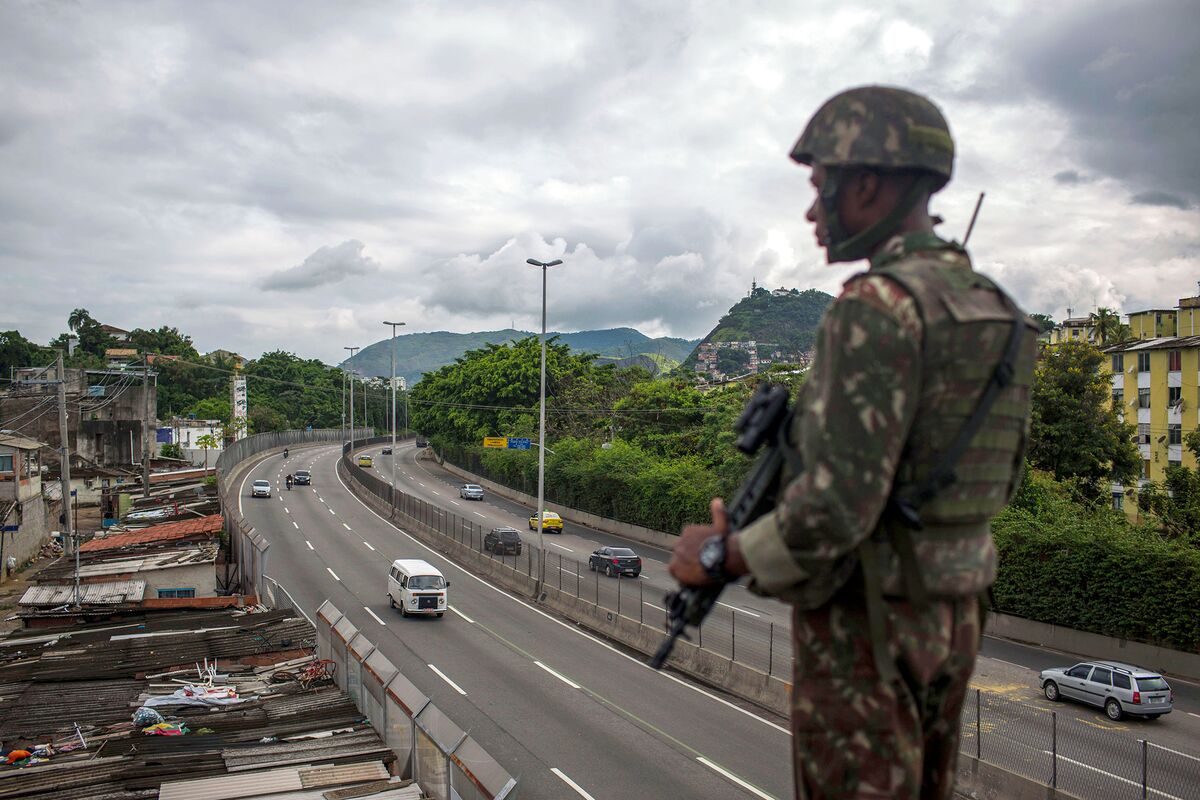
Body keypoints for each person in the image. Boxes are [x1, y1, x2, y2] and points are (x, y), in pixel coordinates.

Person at [668, 86, 1038, 800]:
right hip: (954, 613)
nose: (812, 211)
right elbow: (994, 481)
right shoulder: (999, 312)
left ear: (865, 184)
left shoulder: (876, 309)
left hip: (870, 626)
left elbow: (835, 509)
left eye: (819, 187)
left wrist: (719, 553)